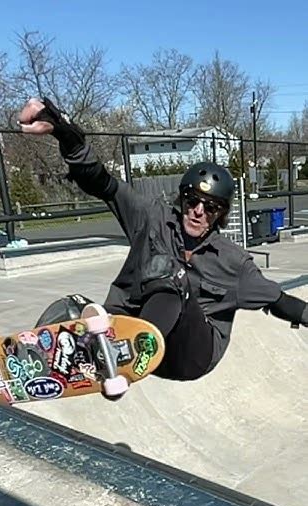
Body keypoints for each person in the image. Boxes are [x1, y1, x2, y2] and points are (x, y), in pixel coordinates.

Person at [18, 97, 308, 382]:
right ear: (182, 198)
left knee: (172, 274)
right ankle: (30, 365)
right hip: (134, 328)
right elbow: (101, 182)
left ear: (219, 214)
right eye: (192, 200)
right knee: (74, 309)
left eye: (210, 207)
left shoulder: (233, 261)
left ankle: (123, 353)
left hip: (190, 355)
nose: (198, 212)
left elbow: (280, 301)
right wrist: (65, 134)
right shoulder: (152, 218)